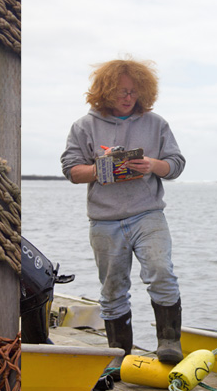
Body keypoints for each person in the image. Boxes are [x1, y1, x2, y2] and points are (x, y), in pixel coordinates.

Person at [60, 57, 185, 371]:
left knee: (161, 271)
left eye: (133, 91)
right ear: (105, 91)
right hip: (104, 221)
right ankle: (118, 355)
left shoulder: (157, 124)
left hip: (148, 214)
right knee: (113, 287)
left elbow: (176, 164)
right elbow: (71, 171)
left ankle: (169, 342)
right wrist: (104, 168)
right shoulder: (83, 126)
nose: (128, 97)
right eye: (121, 91)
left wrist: (153, 165)